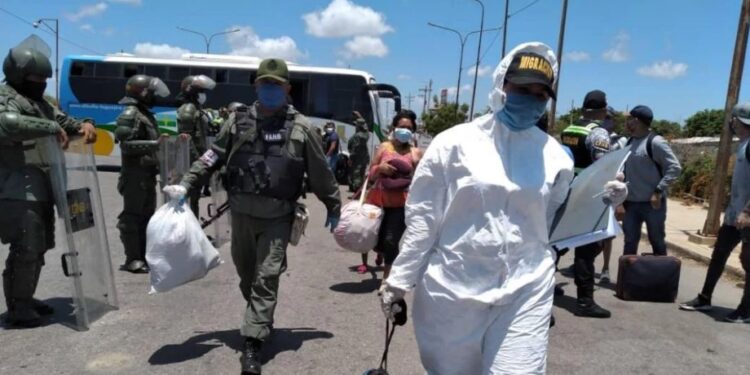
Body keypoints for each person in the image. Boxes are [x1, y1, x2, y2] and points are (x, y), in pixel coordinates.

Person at [378, 42, 626, 374]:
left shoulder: (554, 156)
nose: (531, 99)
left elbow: (554, 224)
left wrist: (602, 200)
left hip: (526, 288)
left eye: (541, 94)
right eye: (522, 88)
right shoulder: (453, 144)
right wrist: (399, 280)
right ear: (501, 85)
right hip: (453, 292)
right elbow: (424, 220)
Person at [171, 58, 341, 374]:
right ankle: (260, 319)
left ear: (288, 88)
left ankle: (252, 343)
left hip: (278, 216)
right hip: (241, 215)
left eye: (276, 84)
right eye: (265, 83)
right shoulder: (236, 122)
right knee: (247, 275)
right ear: (256, 86)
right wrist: (186, 183)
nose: (270, 89)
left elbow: (320, 172)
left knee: (266, 277)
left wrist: (334, 205)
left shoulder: (302, 128)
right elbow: (211, 157)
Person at [0, 40, 97, 327]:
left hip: (44, 185)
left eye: (44, 80)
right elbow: (7, 123)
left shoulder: (39, 103)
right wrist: (51, 127)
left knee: (39, 246)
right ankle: (18, 307)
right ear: (17, 76)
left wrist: (85, 124)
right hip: (16, 187)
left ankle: (26, 298)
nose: (41, 84)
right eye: (35, 79)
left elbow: (65, 121)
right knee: (26, 247)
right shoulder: (7, 97)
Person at [679, 102, 750, 323]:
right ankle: (705, 297)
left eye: (733, 120)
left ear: (737, 121)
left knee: (748, 262)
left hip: (746, 217)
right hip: (734, 216)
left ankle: (746, 310)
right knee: (719, 254)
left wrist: (747, 211)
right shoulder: (743, 144)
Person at [560, 89, 615, 318]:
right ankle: (585, 301)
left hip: (565, 192)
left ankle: (542, 286)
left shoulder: (568, 130)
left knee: (556, 243)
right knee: (587, 248)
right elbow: (602, 168)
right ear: (603, 111)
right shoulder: (599, 134)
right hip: (587, 196)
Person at [115, 74, 171, 274]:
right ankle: (132, 258)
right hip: (134, 175)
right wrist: (155, 144)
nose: (155, 97)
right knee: (131, 217)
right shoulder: (131, 113)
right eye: (152, 93)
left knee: (147, 217)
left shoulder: (145, 114)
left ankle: (144, 255)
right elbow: (126, 144)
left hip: (146, 173)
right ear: (142, 93)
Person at [365, 112, 423, 279]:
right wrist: (379, 169)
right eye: (402, 127)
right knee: (377, 238)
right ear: (393, 128)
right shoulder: (384, 148)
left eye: (409, 128)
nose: (405, 131)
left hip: (401, 205)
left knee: (391, 241)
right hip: (378, 202)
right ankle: (380, 252)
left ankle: (387, 280)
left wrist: (415, 169)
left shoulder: (416, 153)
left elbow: (423, 180)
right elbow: (370, 174)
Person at [621, 105, 682, 256]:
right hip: (631, 204)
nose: (626, 122)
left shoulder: (656, 142)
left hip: (652, 205)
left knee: (657, 240)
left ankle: (662, 277)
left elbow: (675, 168)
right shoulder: (629, 142)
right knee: (629, 242)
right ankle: (628, 278)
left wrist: (658, 190)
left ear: (636, 121)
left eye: (629, 119)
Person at [176, 74, 216, 217]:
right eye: (201, 92)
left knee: (194, 199)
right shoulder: (188, 110)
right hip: (191, 163)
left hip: (196, 160)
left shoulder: (196, 109)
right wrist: (199, 162)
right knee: (189, 199)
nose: (203, 95)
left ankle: (192, 230)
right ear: (192, 92)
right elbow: (187, 140)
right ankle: (186, 231)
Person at [347, 111, 370, 193]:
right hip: (364, 158)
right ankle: (360, 191)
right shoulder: (366, 134)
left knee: (356, 175)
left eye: (356, 124)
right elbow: (365, 126)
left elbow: (355, 148)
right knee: (361, 174)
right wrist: (360, 117)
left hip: (357, 159)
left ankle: (357, 192)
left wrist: (350, 158)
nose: (355, 125)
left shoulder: (358, 136)